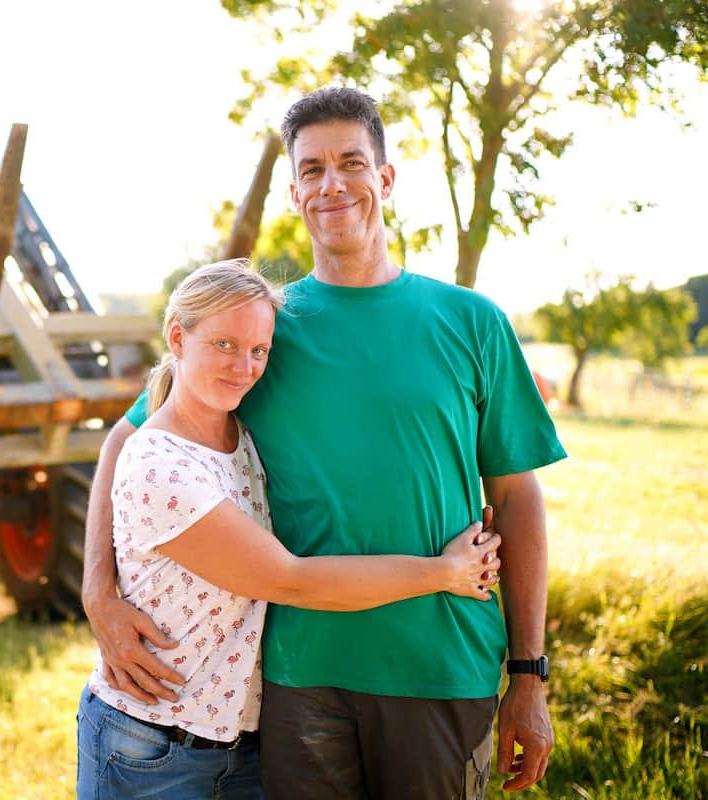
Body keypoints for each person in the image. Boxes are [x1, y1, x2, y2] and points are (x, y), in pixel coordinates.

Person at [82, 87, 567, 800]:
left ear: (386, 178)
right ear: (294, 191)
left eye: (351, 162)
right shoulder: (260, 330)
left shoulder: (473, 321)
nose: (332, 183)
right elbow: (124, 445)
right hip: (300, 676)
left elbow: (518, 495)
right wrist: (98, 589)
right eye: (312, 169)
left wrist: (528, 673)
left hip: (443, 666)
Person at [77, 259, 502, 800]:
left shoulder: (242, 435)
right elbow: (290, 579)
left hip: (237, 749)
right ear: (178, 339)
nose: (244, 367)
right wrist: (445, 572)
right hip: (153, 745)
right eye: (225, 345)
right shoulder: (163, 468)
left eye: (259, 351)